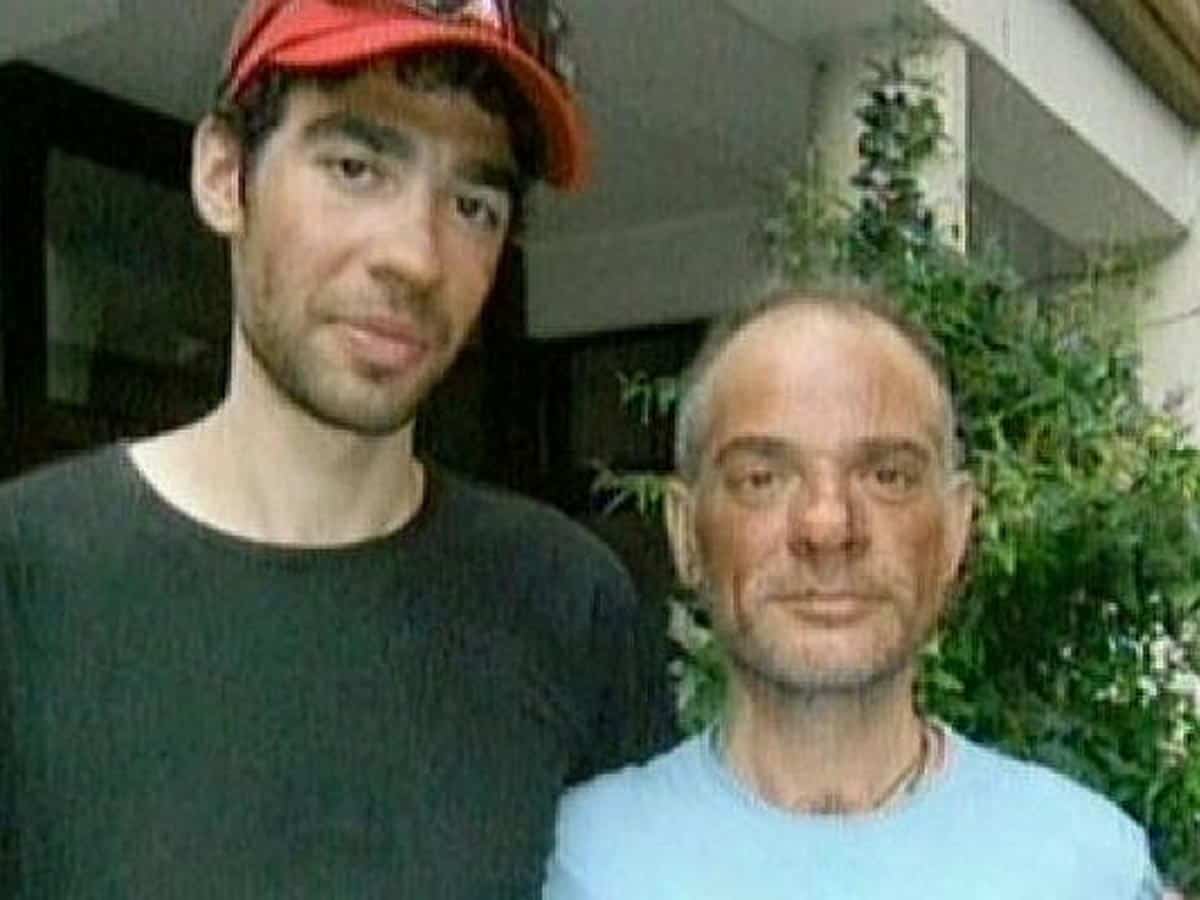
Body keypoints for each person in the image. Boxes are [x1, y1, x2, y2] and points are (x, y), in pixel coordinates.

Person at [0, 1, 673, 896]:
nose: (417, 258)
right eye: (356, 167)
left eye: (472, 203)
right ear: (222, 174)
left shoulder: (568, 602)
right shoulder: (28, 578)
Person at [542, 282, 1167, 899]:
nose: (827, 526)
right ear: (685, 532)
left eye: (887, 476)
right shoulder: (572, 863)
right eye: (762, 478)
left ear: (956, 529)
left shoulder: (1087, 867)